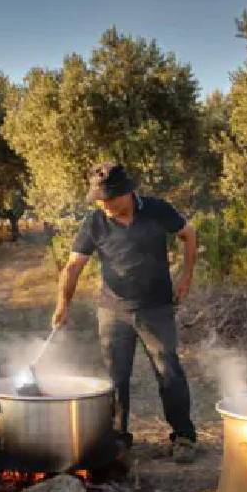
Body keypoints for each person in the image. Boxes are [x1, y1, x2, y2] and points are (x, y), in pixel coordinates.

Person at [51, 162, 199, 464]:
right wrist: (62, 305)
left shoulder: (157, 210)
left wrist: (185, 277)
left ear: (128, 192)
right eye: (99, 199)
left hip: (155, 307)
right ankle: (118, 438)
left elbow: (189, 234)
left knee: (168, 372)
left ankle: (183, 436)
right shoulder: (95, 222)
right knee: (115, 378)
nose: (104, 205)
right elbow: (73, 267)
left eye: (110, 199)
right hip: (112, 311)